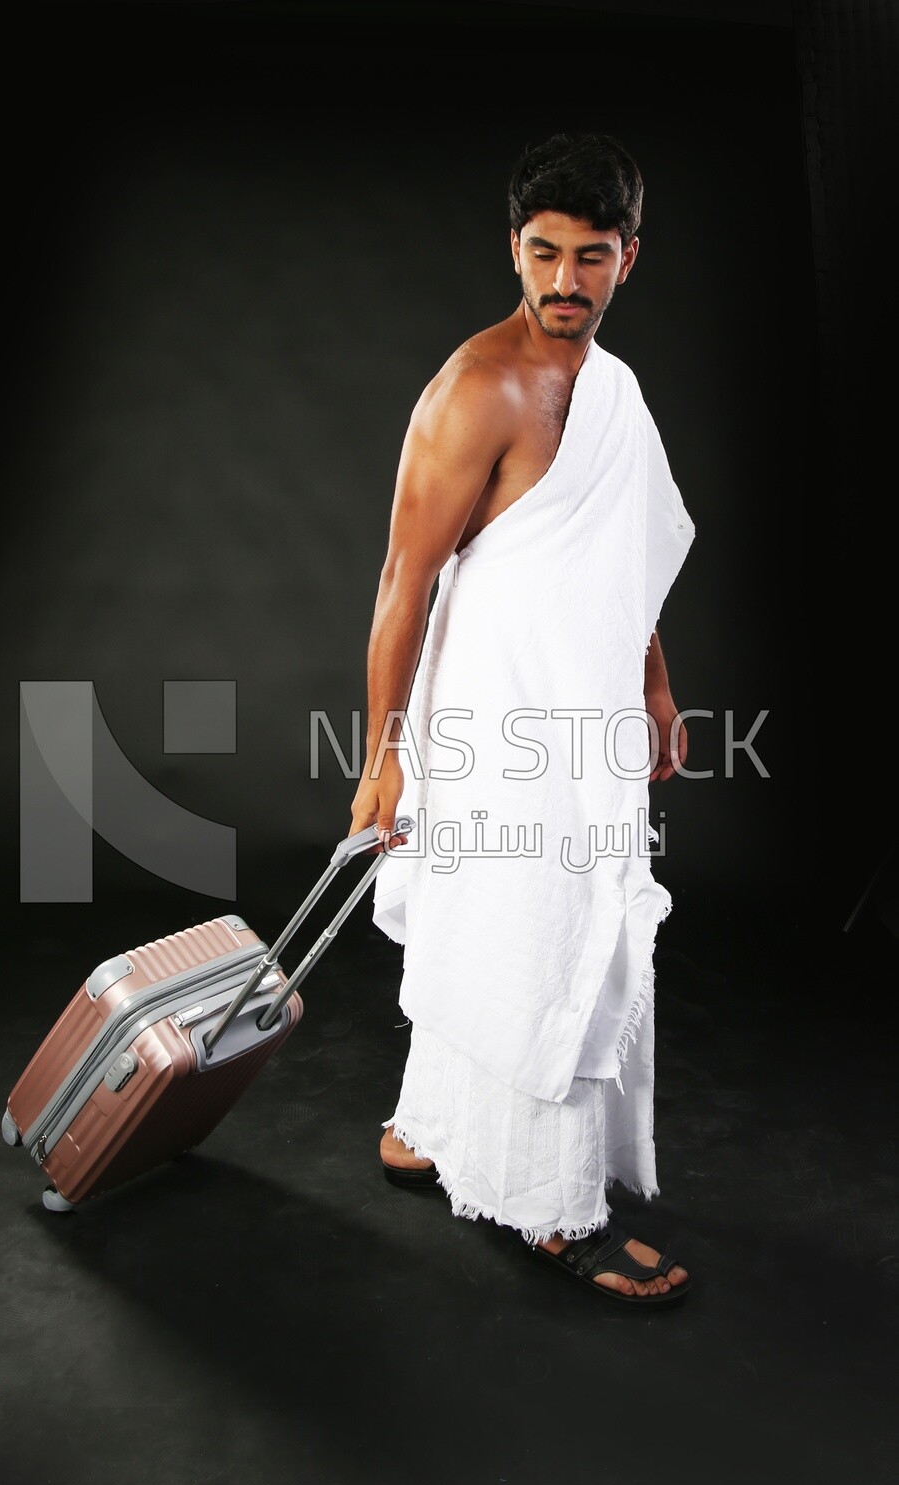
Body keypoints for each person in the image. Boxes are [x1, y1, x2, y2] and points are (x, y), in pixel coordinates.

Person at [347, 132, 696, 1306]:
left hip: (584, 709)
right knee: (526, 937)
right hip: (494, 719)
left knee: (524, 931)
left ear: (626, 260)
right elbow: (403, 583)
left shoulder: (615, 393)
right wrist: (383, 759)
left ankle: (430, 1127)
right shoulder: (476, 388)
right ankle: (553, 1210)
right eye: (541, 253)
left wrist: (651, 684)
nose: (562, 282)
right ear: (514, 249)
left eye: (588, 257)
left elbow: (627, 563)